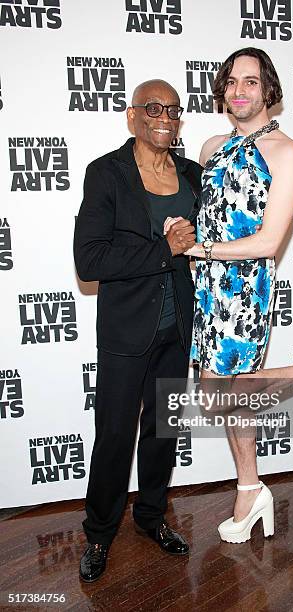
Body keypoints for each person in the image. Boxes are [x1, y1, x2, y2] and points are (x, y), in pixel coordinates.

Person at [180, 48, 293, 544]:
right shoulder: (211, 146)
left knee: (219, 400)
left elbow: (267, 241)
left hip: (243, 290)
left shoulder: (287, 152)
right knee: (235, 403)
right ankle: (251, 488)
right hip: (206, 287)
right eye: (232, 81)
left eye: (251, 81)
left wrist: (202, 247)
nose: (239, 90)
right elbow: (203, 214)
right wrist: (185, 236)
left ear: (268, 90)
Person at [74, 79, 202, 582]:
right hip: (127, 333)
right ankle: (100, 534)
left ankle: (151, 518)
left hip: (178, 329)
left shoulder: (193, 175)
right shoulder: (106, 174)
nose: (164, 117)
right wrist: (163, 249)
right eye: (153, 107)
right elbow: (89, 260)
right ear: (132, 116)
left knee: (161, 431)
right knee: (113, 437)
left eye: (173, 109)